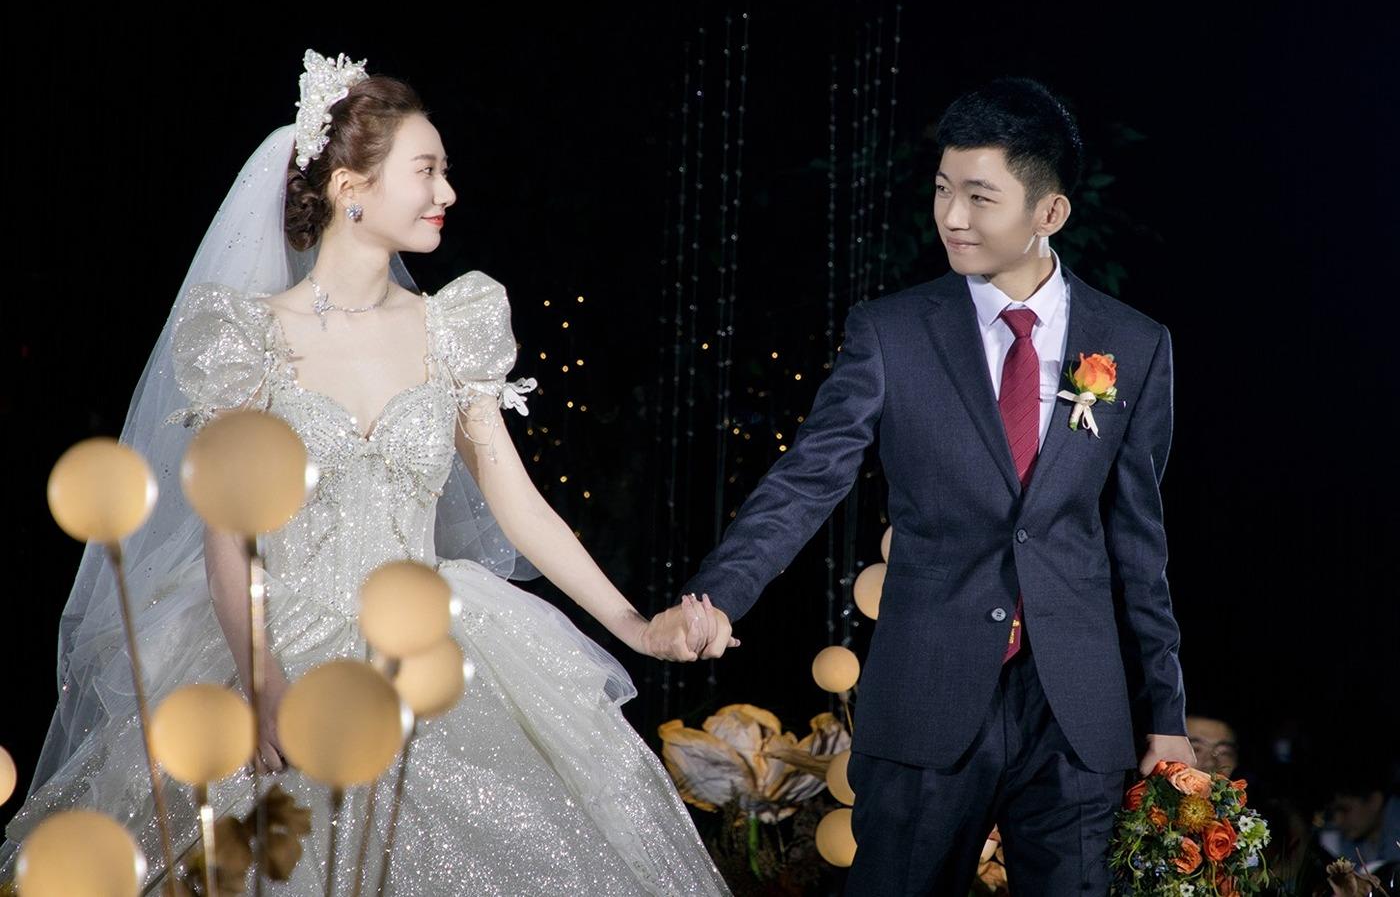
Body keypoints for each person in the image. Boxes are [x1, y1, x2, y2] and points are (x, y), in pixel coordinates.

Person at [0, 50, 732, 895]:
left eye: (445, 171)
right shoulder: (248, 338)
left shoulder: (450, 328)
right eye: (427, 170)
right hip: (283, 643)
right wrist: (264, 680)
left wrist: (638, 627)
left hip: (433, 644)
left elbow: (522, 506)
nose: (447, 191)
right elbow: (228, 535)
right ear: (351, 188)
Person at [679, 77, 1194, 895]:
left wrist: (1165, 712)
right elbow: (808, 478)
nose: (952, 216)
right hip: (928, 697)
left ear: (1050, 212)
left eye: (980, 197)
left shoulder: (1134, 343)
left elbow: (1138, 543)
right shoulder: (892, 333)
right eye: (943, 189)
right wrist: (717, 597)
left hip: (1075, 711)